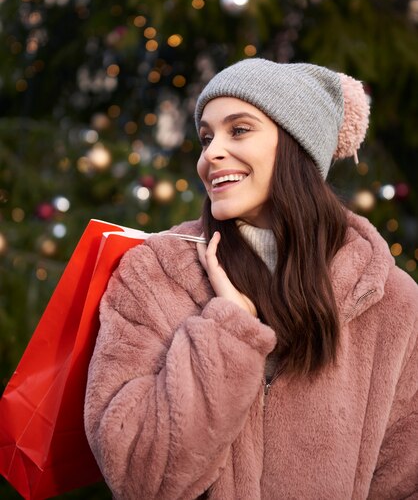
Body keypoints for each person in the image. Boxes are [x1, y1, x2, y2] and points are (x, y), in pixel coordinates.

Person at [84, 58, 418, 500]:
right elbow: (137, 475)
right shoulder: (154, 274)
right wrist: (227, 330)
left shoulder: (390, 300)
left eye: (238, 130)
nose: (211, 154)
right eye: (206, 137)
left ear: (297, 146)